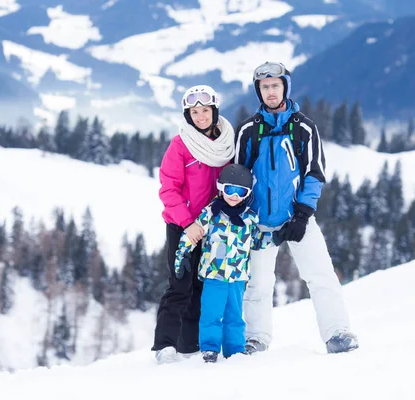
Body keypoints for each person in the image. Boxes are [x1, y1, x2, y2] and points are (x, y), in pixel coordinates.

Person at [234, 61, 359, 354]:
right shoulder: (249, 131)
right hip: (260, 222)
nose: (271, 91)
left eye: (275, 85)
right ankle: (256, 338)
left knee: (320, 274)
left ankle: (337, 333)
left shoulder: (303, 128)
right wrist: (243, 215)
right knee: (258, 285)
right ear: (259, 91)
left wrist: (302, 214)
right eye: (265, 87)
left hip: (297, 217)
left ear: (285, 88)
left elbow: (314, 173)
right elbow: (237, 176)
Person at [152, 85, 236, 363]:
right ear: (188, 115)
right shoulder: (181, 145)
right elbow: (168, 189)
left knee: (203, 285)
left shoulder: (227, 142)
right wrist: (188, 223)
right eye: (195, 112)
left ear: (215, 111)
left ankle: (189, 346)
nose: (201, 116)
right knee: (180, 285)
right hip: (183, 226)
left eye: (205, 110)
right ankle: (164, 346)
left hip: (214, 227)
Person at [174, 164, 280, 363]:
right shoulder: (210, 214)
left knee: (234, 317)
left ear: (247, 193)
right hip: (214, 275)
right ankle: (210, 349)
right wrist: (182, 256)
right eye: (229, 189)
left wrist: (278, 237)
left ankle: (234, 350)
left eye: (240, 191)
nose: (234, 196)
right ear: (221, 187)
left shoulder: (249, 218)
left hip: (238, 277)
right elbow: (191, 234)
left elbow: (257, 241)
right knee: (211, 313)